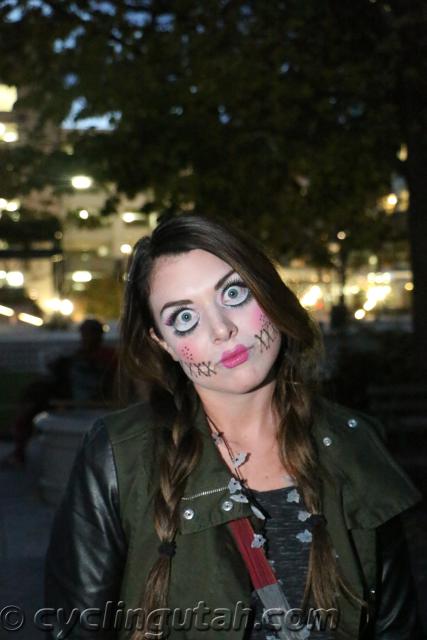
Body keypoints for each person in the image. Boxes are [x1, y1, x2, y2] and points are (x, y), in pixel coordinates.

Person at [45, 216, 422, 640]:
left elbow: (396, 626)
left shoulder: (355, 441)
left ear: (268, 290)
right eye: (184, 317)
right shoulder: (119, 456)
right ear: (163, 343)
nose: (222, 329)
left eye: (233, 293)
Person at [1, 318, 117, 468]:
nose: (84, 338)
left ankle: (18, 447)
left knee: (35, 398)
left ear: (98, 335)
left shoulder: (106, 356)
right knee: (34, 394)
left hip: (87, 399)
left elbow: (100, 382)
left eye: (88, 334)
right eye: (83, 334)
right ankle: (19, 444)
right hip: (69, 395)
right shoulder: (80, 354)